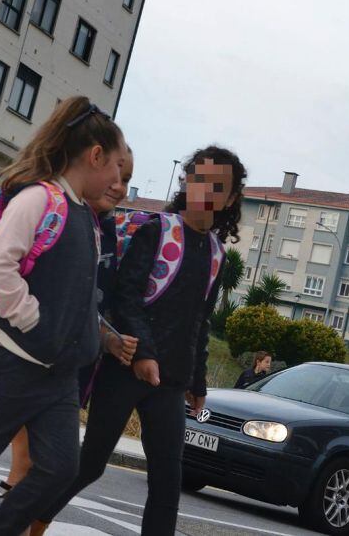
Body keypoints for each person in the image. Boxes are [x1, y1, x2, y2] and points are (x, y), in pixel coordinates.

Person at [0, 96, 127, 536]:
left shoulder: (84, 214)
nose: (117, 181)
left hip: (57, 376)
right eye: (117, 169)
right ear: (95, 156)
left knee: (61, 468)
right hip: (8, 362)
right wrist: (30, 317)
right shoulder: (40, 199)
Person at [33, 145, 247, 536]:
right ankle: (33, 517)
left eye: (219, 186)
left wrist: (197, 382)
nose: (207, 191)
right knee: (92, 462)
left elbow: (201, 322)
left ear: (230, 198)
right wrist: (143, 355)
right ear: (187, 183)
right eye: (200, 180)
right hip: (125, 369)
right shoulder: (159, 230)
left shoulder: (218, 254)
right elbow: (126, 299)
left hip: (170, 383)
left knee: (167, 481)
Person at [1, 149, 139, 493]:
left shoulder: (109, 231)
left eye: (128, 180)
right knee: (24, 468)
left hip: (72, 366)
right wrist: (34, 324)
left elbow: (89, 300)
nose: (119, 186)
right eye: (115, 173)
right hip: (31, 356)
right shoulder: (55, 210)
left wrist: (108, 339)